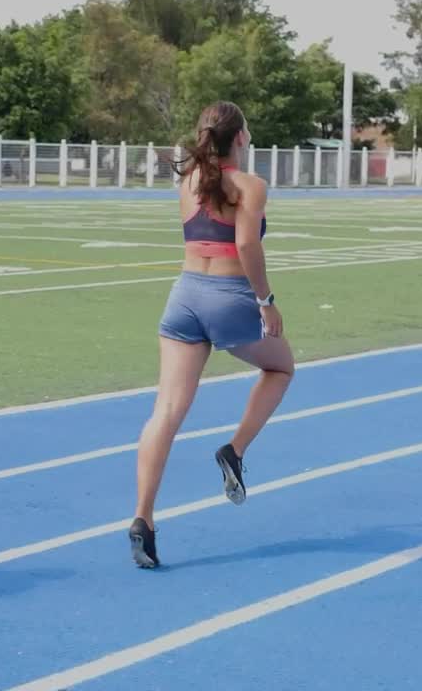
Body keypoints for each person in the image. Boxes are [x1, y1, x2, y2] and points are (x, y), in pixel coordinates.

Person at [128, 101, 295, 569]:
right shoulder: (250, 185)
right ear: (240, 137)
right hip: (228, 295)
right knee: (280, 367)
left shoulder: (187, 182)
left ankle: (143, 519)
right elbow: (245, 244)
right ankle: (234, 450)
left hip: (183, 297)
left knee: (165, 412)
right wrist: (266, 301)